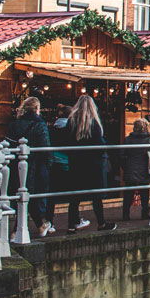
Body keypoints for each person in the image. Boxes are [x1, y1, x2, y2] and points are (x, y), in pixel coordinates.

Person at [65, 95, 117, 233]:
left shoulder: (71, 122)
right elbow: (99, 145)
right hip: (93, 164)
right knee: (96, 195)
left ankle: (71, 225)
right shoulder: (94, 124)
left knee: (75, 196)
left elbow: (66, 142)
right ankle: (101, 223)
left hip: (76, 163)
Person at [6, 97, 54, 237]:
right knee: (30, 195)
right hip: (35, 164)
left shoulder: (15, 124)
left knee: (22, 194)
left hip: (17, 164)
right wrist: (49, 163)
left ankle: (20, 229)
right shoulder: (40, 124)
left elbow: (8, 142)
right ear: (37, 109)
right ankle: (30, 227)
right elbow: (45, 146)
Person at [120, 118, 150, 221]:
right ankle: (144, 213)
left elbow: (121, 155)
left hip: (130, 169)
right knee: (145, 194)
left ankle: (125, 214)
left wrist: (125, 167)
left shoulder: (128, 139)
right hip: (144, 170)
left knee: (128, 194)